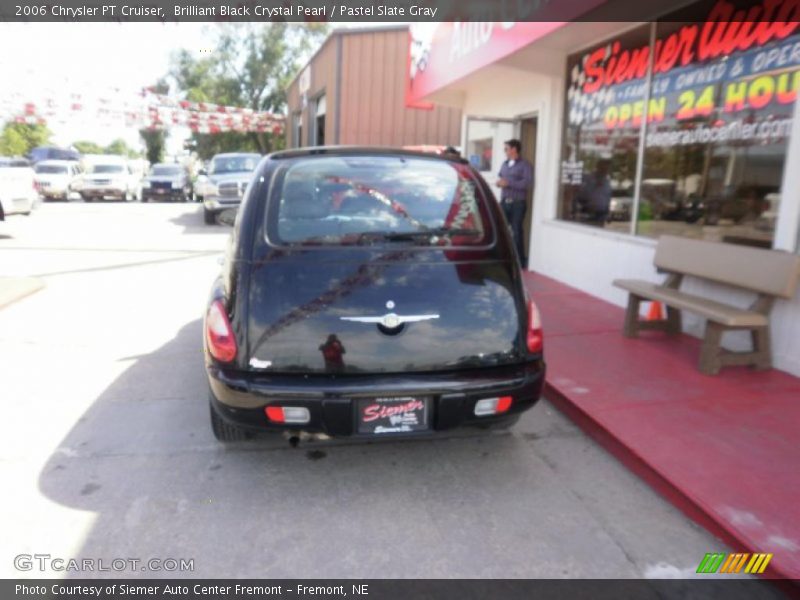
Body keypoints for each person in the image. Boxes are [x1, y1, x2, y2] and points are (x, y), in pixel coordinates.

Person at [496, 139, 533, 262]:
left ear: (514, 149)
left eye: (506, 149)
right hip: (504, 201)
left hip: (518, 203)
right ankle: (503, 259)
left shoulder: (525, 165)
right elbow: (501, 178)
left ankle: (519, 261)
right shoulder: (504, 164)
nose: (504, 151)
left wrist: (508, 183)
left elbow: (527, 183)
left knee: (516, 231)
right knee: (500, 230)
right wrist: (499, 183)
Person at [576, 159, 612, 226]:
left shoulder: (607, 181)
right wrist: (595, 186)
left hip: (601, 215)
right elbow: (581, 194)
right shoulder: (588, 178)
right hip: (588, 213)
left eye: (607, 168)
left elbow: (607, 197)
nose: (605, 170)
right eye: (603, 167)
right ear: (598, 167)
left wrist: (608, 213)